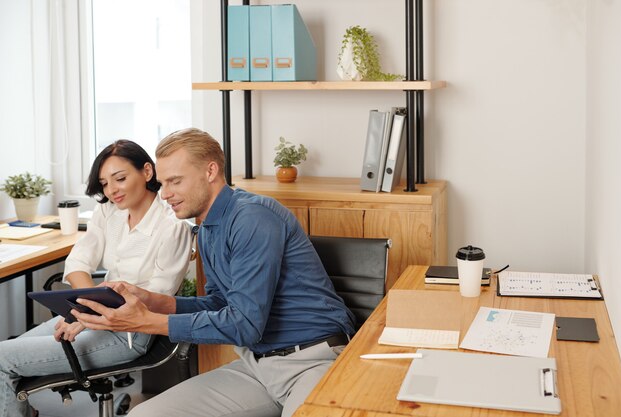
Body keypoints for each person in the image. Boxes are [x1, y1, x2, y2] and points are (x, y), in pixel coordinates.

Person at [73, 128, 356, 417]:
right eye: (162, 182)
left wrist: (148, 322)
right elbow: (221, 303)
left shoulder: (252, 217)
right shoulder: (207, 228)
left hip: (313, 361)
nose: (165, 193)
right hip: (256, 367)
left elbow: (245, 324)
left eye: (175, 181)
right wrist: (151, 300)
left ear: (210, 171)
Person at [0, 140, 192, 417]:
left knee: (4, 359)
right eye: (104, 183)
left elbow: (156, 297)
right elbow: (78, 262)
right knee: (8, 355)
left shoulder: (172, 226)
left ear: (147, 172)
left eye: (120, 179)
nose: (111, 190)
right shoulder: (108, 211)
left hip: (131, 332)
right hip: (88, 315)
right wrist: (86, 310)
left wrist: (88, 314)